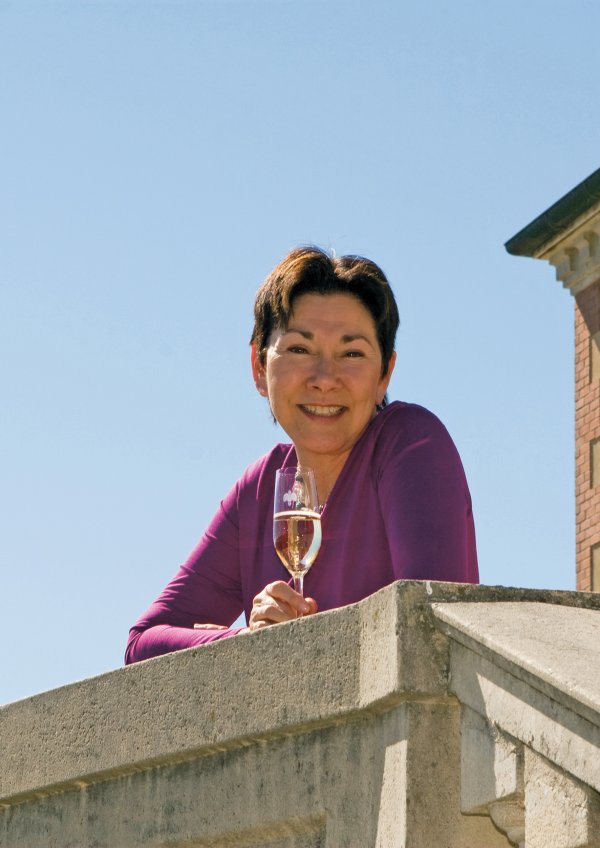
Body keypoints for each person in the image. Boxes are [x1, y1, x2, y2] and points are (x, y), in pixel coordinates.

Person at [125, 247, 478, 664]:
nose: (324, 379)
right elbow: (142, 645)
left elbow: (433, 627)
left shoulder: (412, 443)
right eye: (299, 350)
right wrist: (249, 643)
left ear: (385, 374)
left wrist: (301, 644)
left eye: (352, 354)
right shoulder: (258, 489)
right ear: (258, 367)